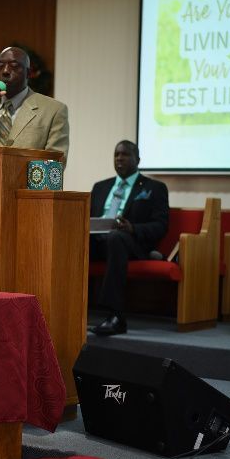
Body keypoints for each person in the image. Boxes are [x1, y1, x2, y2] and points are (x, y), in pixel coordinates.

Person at [90, 140, 169, 336]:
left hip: (131, 244)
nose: (119, 159)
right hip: (97, 242)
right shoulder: (100, 187)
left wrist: (132, 228)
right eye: (116, 155)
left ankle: (115, 316)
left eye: (125, 155)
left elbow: (160, 226)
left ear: (138, 159)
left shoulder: (154, 188)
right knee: (69, 239)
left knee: (116, 237)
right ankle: (64, 307)